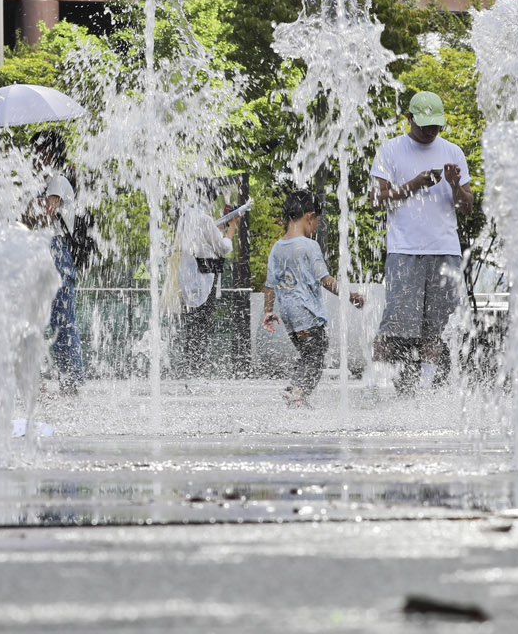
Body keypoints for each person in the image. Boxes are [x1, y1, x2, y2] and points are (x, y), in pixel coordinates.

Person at [370, 90, 475, 393]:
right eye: (425, 125)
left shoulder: (453, 151)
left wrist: (454, 185)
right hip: (404, 250)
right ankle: (376, 383)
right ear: (409, 118)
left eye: (436, 126)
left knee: (437, 327)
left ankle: (427, 386)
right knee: (394, 326)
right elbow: (376, 201)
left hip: (445, 250)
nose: (431, 131)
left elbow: (467, 207)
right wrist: (415, 184)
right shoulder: (390, 150)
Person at [262, 190, 366, 407]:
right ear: (310, 217)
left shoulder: (277, 248)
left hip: (289, 318)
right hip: (308, 315)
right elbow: (325, 280)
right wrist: (350, 296)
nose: (316, 228)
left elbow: (269, 285)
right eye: (317, 222)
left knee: (307, 355)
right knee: (316, 356)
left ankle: (295, 392)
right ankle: (297, 393)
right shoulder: (309, 246)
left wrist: (268, 311)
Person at [31, 132, 86, 393]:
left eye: (40, 151)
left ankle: (71, 381)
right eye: (34, 151)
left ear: (52, 154)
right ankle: (34, 379)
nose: (36, 156)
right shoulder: (36, 185)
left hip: (56, 252)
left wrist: (28, 206)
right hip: (36, 252)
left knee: (62, 320)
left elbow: (45, 216)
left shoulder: (58, 180)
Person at [172, 189, 243, 374]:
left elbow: (201, 241)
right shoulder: (204, 219)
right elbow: (222, 248)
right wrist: (232, 226)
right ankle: (197, 369)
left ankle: (189, 367)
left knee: (192, 324)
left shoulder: (185, 216)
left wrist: (219, 226)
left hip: (188, 277)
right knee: (202, 324)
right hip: (204, 276)